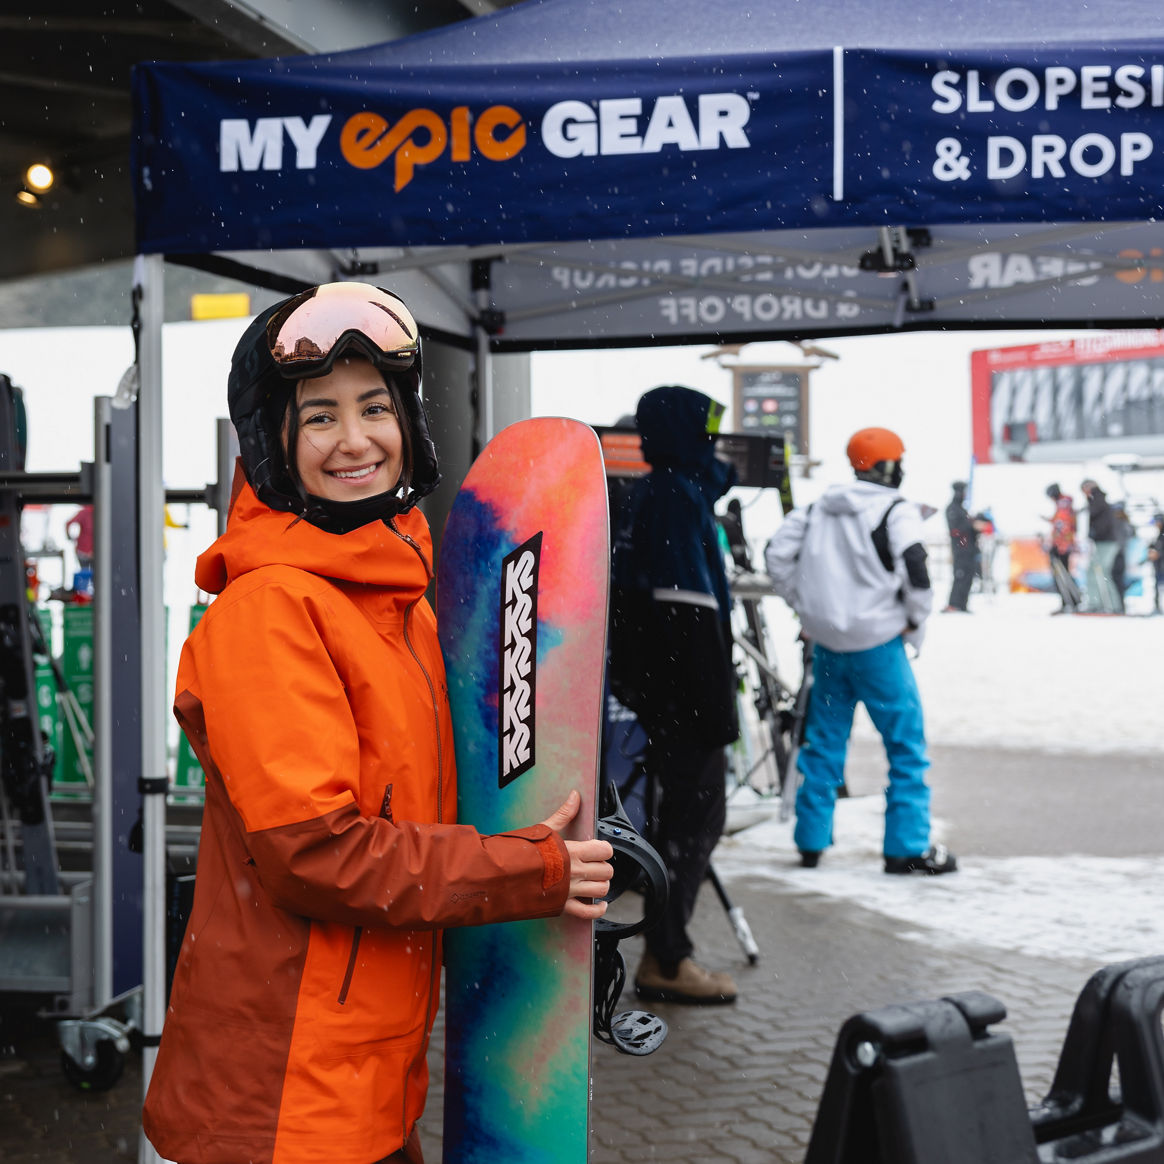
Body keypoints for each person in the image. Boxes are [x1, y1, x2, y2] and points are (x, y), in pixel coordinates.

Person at [141, 282, 613, 1164]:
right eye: (318, 417)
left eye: (375, 407)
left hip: (367, 1081)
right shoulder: (273, 611)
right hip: (284, 1098)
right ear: (274, 443)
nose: (355, 441)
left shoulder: (397, 606)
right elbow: (317, 855)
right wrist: (525, 871)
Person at [763, 427, 956, 876]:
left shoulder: (816, 509)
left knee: (823, 743)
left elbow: (776, 555)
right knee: (906, 747)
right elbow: (916, 568)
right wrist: (914, 616)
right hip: (880, 649)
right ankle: (905, 848)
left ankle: (810, 842)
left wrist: (807, 609)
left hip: (828, 649)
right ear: (889, 466)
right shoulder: (896, 509)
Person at [608, 385, 739, 1006]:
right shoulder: (677, 499)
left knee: (676, 822)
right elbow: (686, 615)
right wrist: (709, 708)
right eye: (707, 429)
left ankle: (666, 950)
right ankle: (667, 958)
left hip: (663, 696)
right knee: (693, 822)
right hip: (687, 698)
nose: (715, 440)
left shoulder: (650, 494)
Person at [1080, 478, 1121, 613]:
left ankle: (1104, 604)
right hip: (1105, 542)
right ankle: (1106, 604)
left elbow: (1093, 514)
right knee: (1098, 571)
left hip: (1105, 542)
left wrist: (1092, 534)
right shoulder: (1098, 499)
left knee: (1099, 572)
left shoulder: (1097, 499)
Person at [1043, 484, 1080, 614]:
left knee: (1061, 575)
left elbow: (1063, 527)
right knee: (1063, 574)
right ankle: (1071, 600)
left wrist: (1057, 544)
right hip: (1064, 545)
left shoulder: (1063, 507)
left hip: (1061, 546)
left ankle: (1069, 601)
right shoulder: (1065, 505)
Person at [943, 481, 979, 612]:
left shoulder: (962, 510)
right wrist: (972, 525)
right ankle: (954, 604)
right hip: (960, 549)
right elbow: (956, 530)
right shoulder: (953, 509)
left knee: (968, 576)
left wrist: (977, 524)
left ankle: (962, 604)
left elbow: (968, 529)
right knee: (960, 575)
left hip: (969, 549)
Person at [1147, 513, 1164, 614]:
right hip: (1159, 566)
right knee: (1157, 586)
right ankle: (1157, 606)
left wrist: (1158, 553)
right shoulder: (1160, 533)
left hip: (1161, 565)